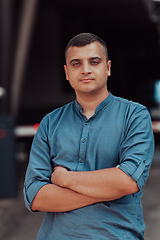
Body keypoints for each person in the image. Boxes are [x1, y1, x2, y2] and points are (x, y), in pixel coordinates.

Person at [24, 33, 154, 240]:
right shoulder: (50, 123)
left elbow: (127, 181)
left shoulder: (134, 115)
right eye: (76, 63)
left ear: (108, 68)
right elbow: (35, 195)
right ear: (66, 72)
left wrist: (63, 179)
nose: (85, 70)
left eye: (94, 62)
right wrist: (107, 189)